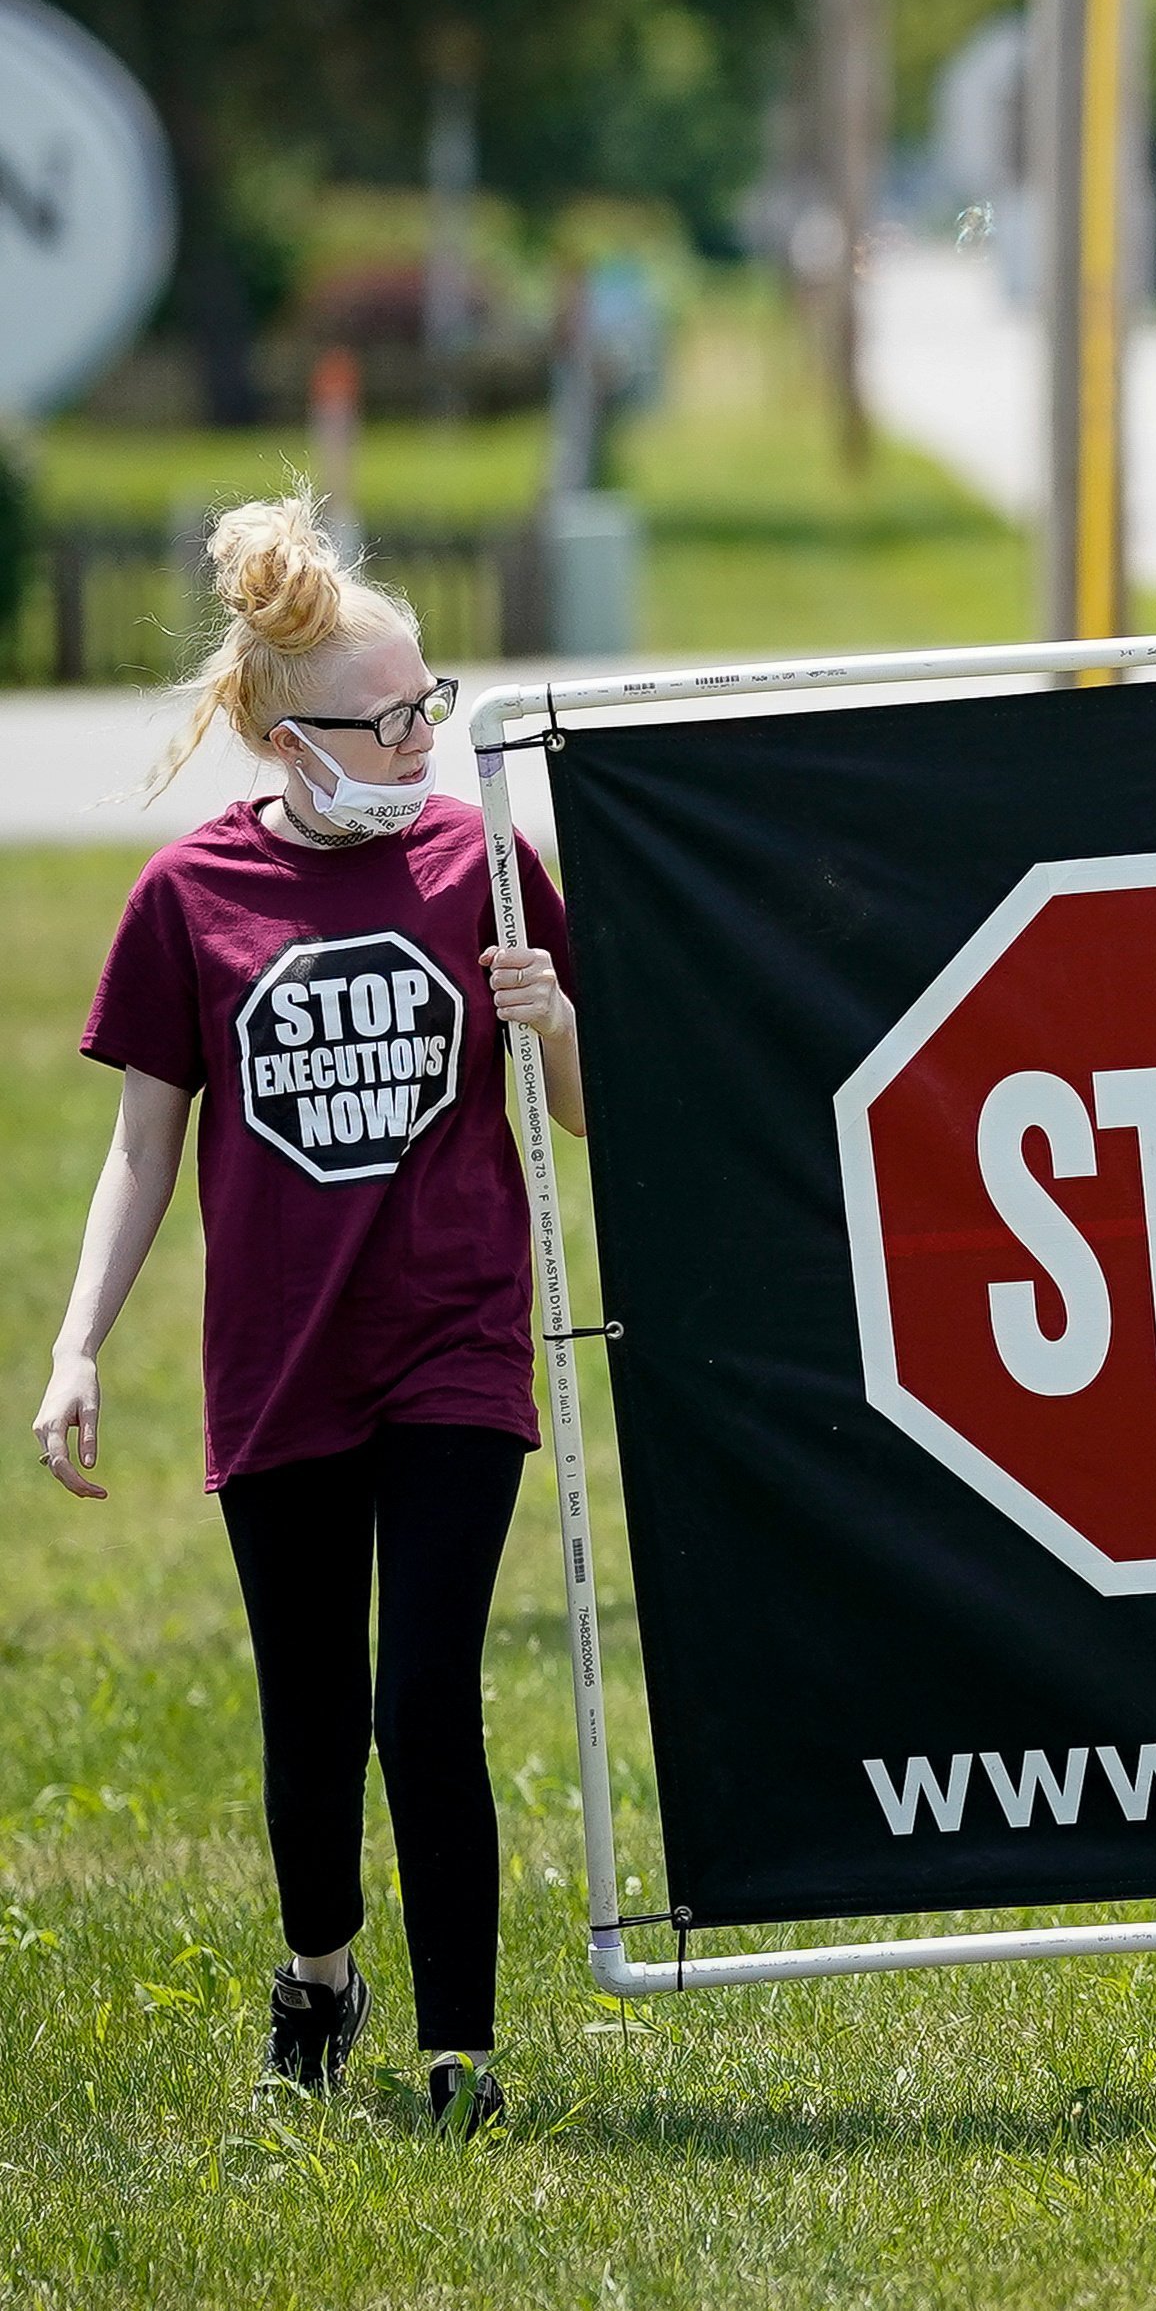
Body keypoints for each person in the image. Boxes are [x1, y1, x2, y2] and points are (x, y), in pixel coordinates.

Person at [30, 493, 582, 2139]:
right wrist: (74, 1346)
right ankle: (325, 1976)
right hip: (278, 1362)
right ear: (283, 734)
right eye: (387, 719)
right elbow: (145, 1147)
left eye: (432, 707)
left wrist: (549, 1024)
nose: (421, 740)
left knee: (425, 1694)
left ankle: (462, 2056)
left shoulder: (486, 865)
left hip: (453, 1340)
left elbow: (591, 1113)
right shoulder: (185, 899)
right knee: (309, 1710)